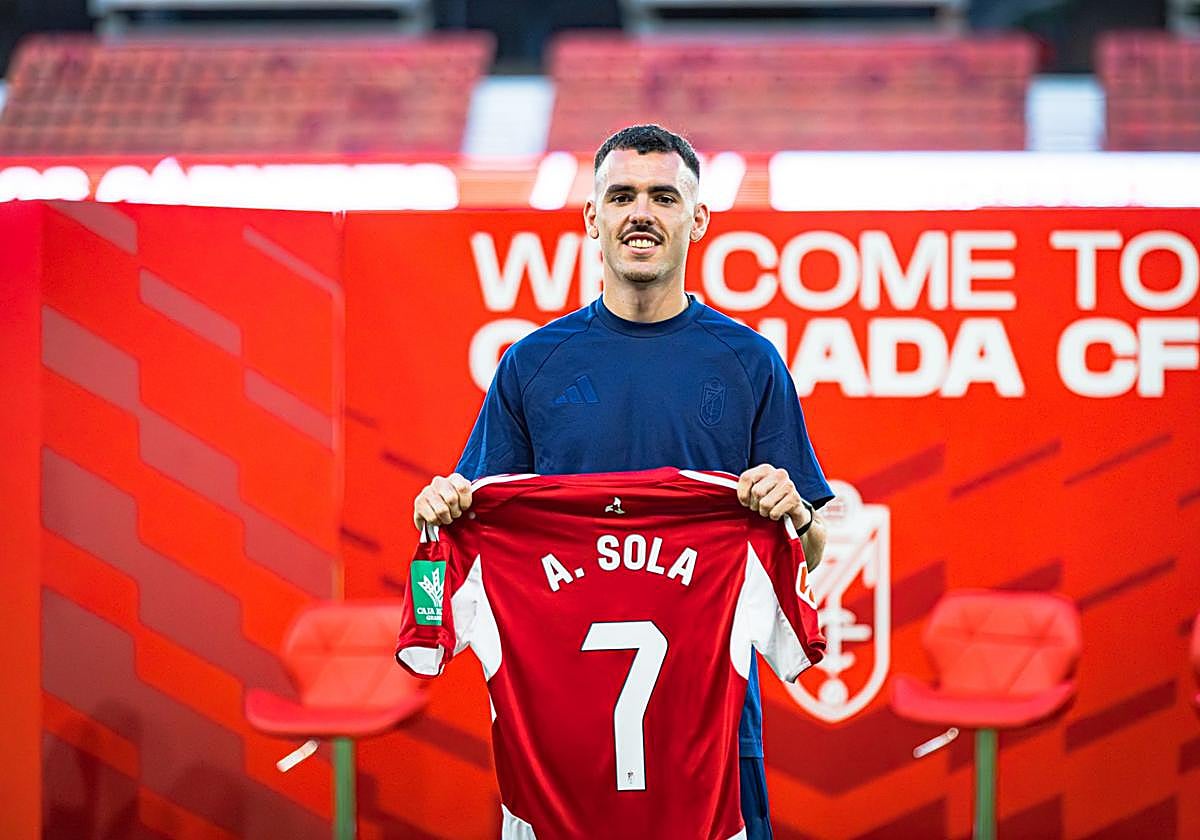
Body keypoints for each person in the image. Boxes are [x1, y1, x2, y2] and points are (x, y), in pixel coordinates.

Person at [412, 123, 832, 839]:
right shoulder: (531, 365)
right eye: (622, 196)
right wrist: (434, 518)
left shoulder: (750, 362)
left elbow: (809, 551)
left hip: (714, 723)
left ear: (697, 219)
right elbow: (450, 567)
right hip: (561, 732)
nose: (641, 212)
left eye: (664, 196)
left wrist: (796, 516)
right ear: (592, 217)